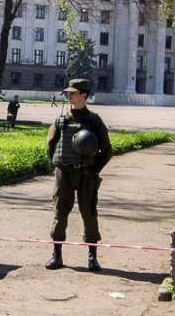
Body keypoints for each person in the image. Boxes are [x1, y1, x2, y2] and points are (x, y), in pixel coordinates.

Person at [44, 78, 113, 272]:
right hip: (64, 173)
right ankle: (56, 255)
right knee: (59, 214)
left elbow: (107, 150)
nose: (69, 95)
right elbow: (51, 145)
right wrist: (59, 164)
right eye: (69, 92)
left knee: (89, 214)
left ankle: (92, 257)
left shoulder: (94, 121)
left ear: (84, 95)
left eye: (73, 93)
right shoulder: (61, 120)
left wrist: (94, 169)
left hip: (85, 174)